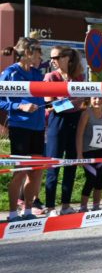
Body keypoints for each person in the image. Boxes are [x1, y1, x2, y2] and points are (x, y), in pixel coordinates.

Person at [2, 38, 46, 221]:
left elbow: (42, 97)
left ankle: (28, 210)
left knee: (35, 172)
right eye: (39, 51)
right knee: (20, 171)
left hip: (38, 128)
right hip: (20, 127)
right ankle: (12, 213)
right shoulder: (10, 73)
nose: (41, 56)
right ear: (28, 52)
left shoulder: (37, 73)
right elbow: (1, 101)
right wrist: (20, 106)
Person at [42, 46, 86, 215]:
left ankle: (66, 205)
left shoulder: (79, 77)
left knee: (71, 164)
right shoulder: (50, 77)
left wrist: (67, 103)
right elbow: (49, 103)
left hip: (75, 120)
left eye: (56, 57)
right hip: (57, 121)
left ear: (67, 58)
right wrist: (71, 103)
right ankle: (50, 207)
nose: (52, 61)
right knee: (54, 165)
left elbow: (82, 100)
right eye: (51, 58)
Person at [76, 96, 102, 212]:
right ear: (90, 99)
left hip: (101, 152)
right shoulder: (86, 114)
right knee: (91, 178)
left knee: (100, 179)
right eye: (95, 98)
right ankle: (83, 207)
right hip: (88, 152)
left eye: (101, 98)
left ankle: (96, 205)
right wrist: (79, 154)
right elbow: (79, 134)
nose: (98, 100)